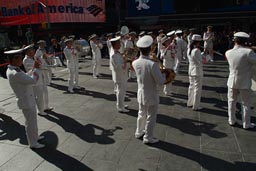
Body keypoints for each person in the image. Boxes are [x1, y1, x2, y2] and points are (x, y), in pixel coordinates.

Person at [5, 48, 45, 149]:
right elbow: (33, 81)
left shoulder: (13, 69)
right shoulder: (16, 72)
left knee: (32, 122)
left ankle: (35, 137)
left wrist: (32, 70)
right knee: (30, 123)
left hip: (27, 99)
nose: (21, 59)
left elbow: (25, 76)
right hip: (26, 101)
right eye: (19, 57)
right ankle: (33, 143)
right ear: (13, 59)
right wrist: (36, 69)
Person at [132, 35, 166, 144]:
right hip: (151, 93)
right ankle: (148, 137)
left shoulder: (135, 62)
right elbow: (160, 82)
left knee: (141, 113)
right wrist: (164, 74)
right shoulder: (152, 64)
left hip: (141, 92)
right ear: (150, 49)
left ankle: (139, 132)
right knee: (151, 116)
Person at [225, 32, 256, 129]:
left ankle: (231, 120)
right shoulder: (248, 52)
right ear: (245, 42)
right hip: (244, 81)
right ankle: (246, 123)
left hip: (232, 81)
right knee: (245, 103)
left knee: (231, 101)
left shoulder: (228, 52)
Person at [23, 44, 47, 116]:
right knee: (38, 96)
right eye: (31, 50)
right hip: (35, 80)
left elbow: (40, 65)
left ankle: (43, 108)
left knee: (42, 94)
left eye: (33, 50)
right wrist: (42, 61)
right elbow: (38, 66)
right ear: (27, 52)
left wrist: (43, 59)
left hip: (39, 78)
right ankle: (40, 110)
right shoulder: (26, 59)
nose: (33, 51)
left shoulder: (33, 57)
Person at [110, 36, 129, 113]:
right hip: (119, 76)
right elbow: (118, 67)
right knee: (120, 91)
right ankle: (120, 107)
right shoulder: (114, 55)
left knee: (122, 91)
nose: (120, 44)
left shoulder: (117, 52)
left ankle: (122, 104)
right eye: (118, 43)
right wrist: (125, 62)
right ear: (115, 45)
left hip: (122, 75)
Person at [35, 40, 53, 112]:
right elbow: (37, 60)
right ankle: (42, 108)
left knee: (45, 90)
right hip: (41, 69)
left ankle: (46, 106)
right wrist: (43, 57)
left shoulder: (44, 49)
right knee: (42, 91)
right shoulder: (38, 51)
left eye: (43, 44)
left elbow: (45, 57)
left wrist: (48, 59)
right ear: (39, 44)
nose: (43, 45)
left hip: (45, 66)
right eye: (41, 44)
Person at [187, 34, 204, 111]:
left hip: (191, 70)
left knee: (191, 87)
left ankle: (190, 102)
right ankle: (196, 105)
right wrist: (206, 56)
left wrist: (202, 54)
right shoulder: (197, 50)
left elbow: (195, 58)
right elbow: (201, 62)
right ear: (198, 42)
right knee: (197, 88)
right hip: (197, 71)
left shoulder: (189, 49)